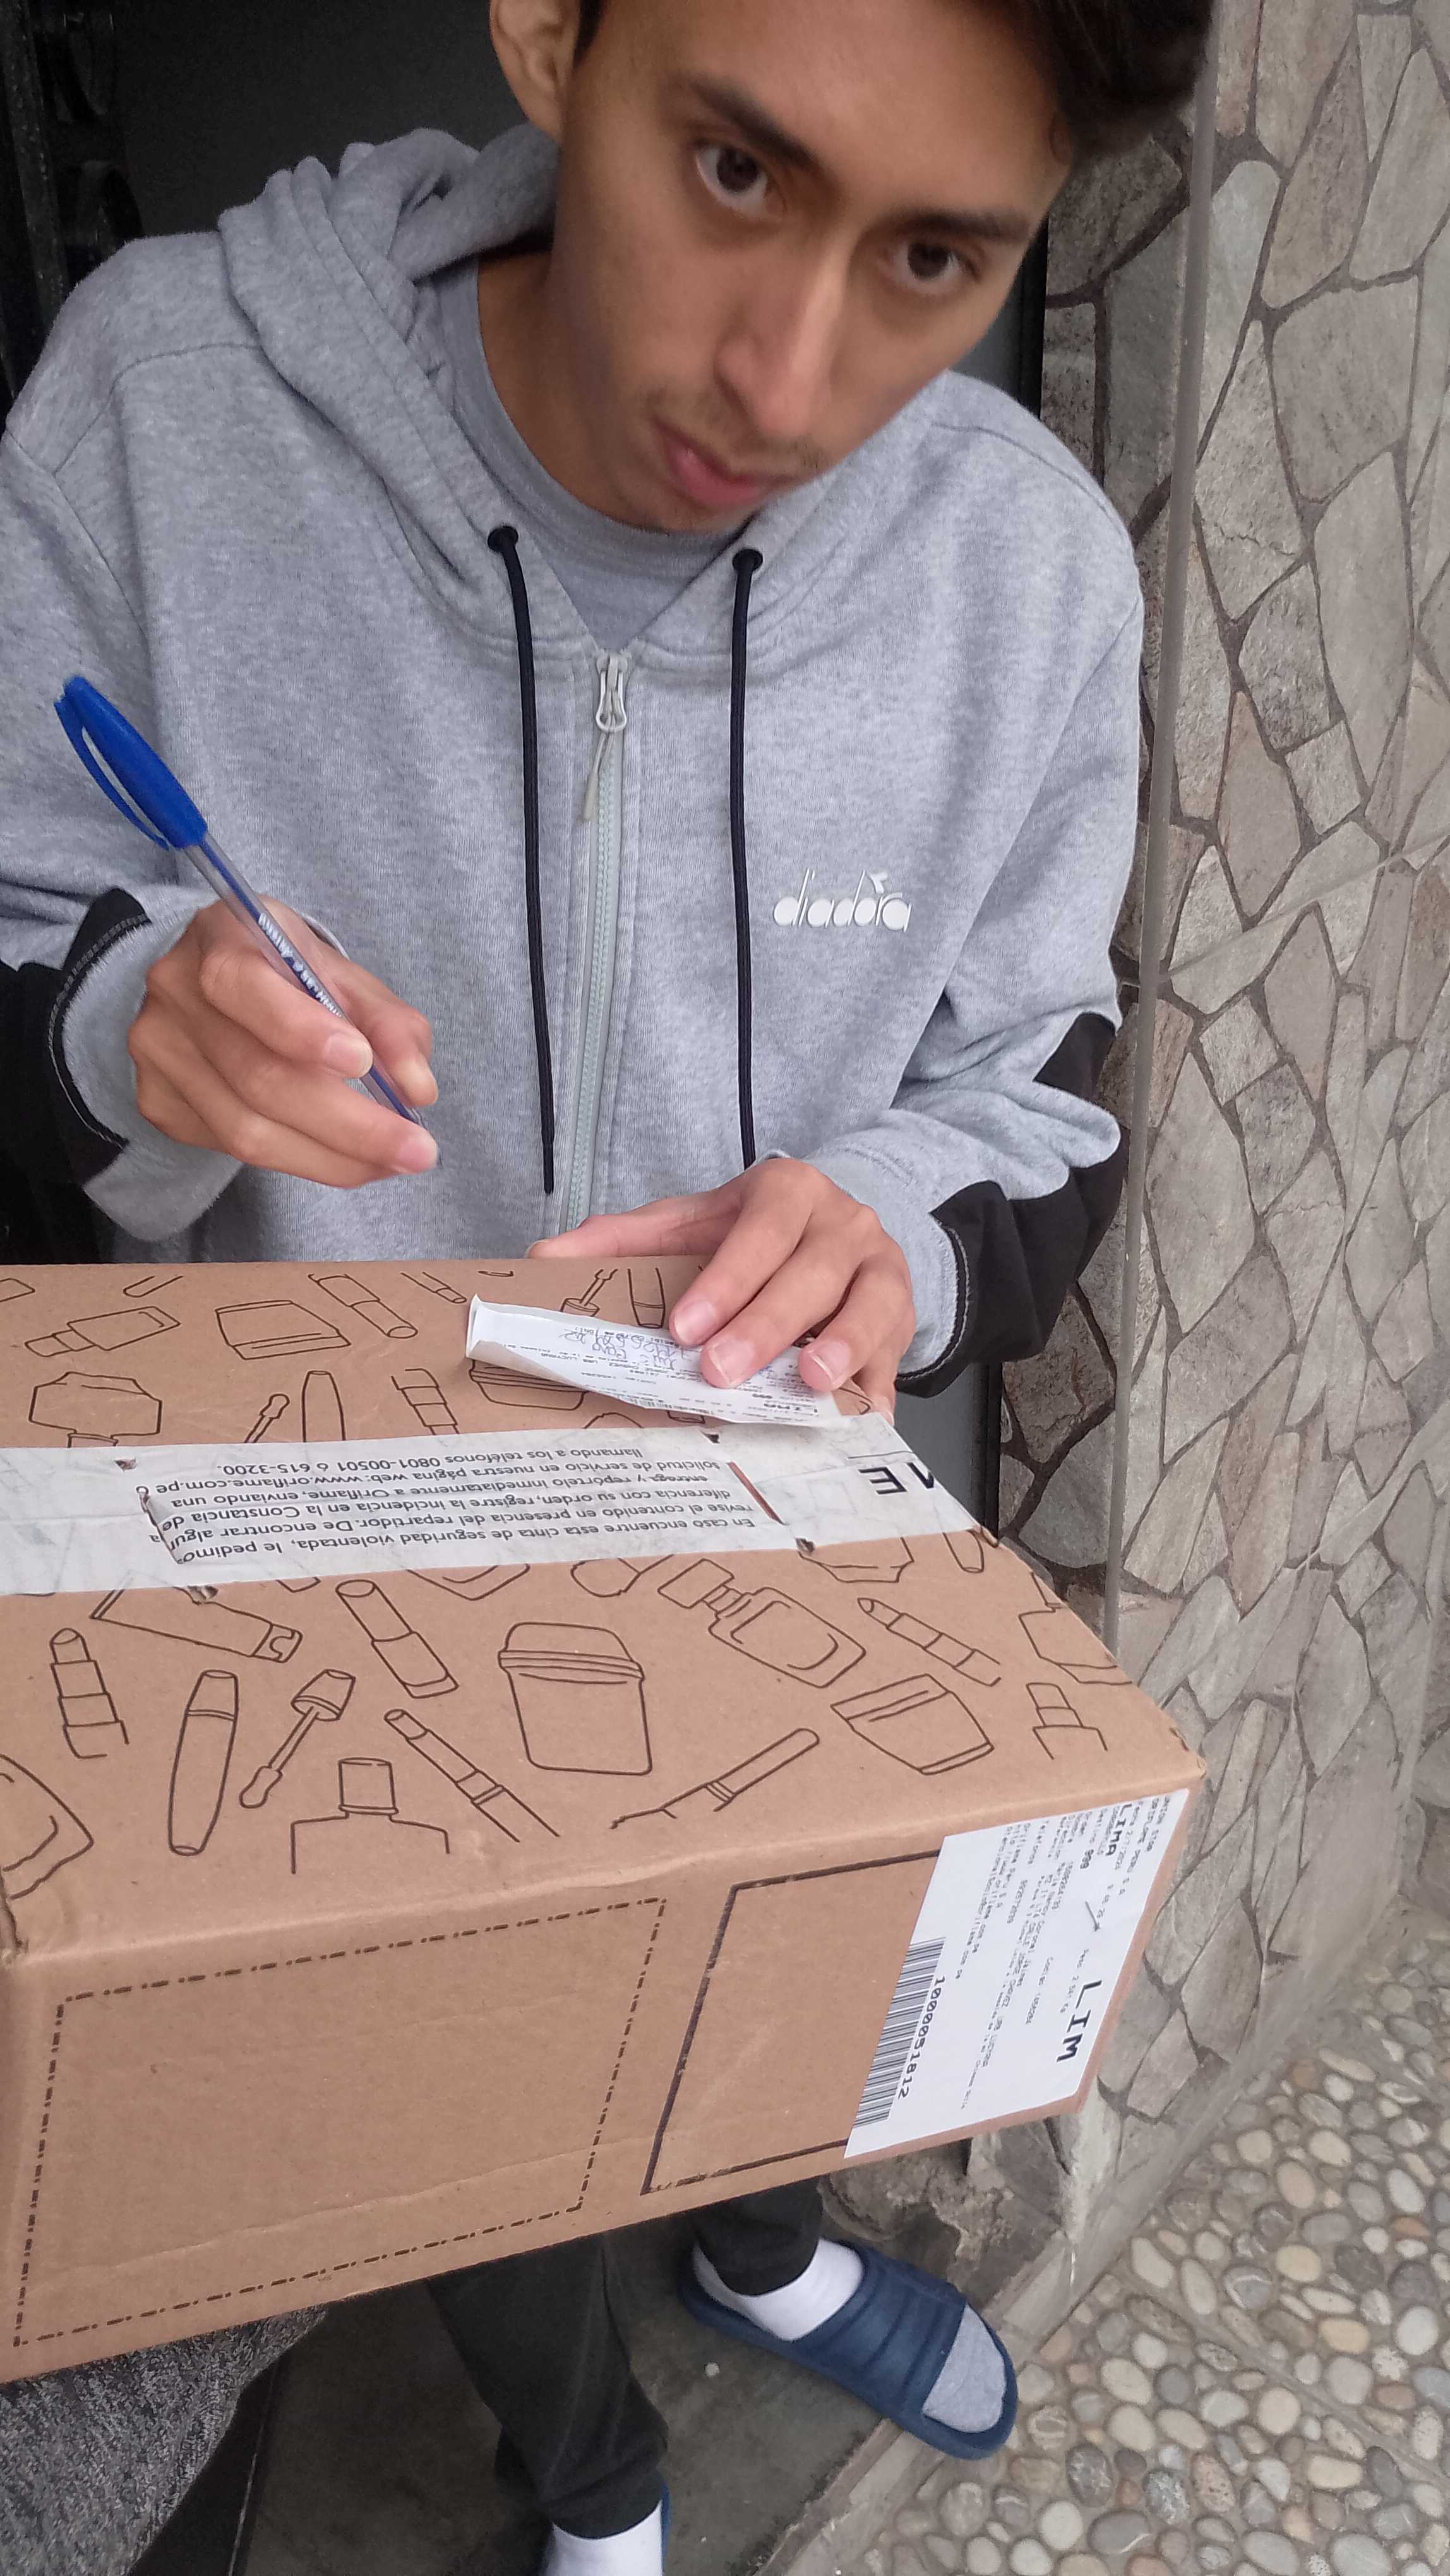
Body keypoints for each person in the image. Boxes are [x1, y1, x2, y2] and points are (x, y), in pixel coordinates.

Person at [0, 0, 1213, 2566]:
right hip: (300, 1560)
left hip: (760, 1549)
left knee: (759, 1984)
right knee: (449, 2081)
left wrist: (895, 1210)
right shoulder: (162, 399)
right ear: (552, 30)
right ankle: (592, 2461)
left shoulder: (1029, 577)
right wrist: (132, 1024)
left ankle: (760, 2248)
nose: (787, 381)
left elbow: (1052, 1085)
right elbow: (19, 918)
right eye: (738, 171)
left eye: (934, 258)